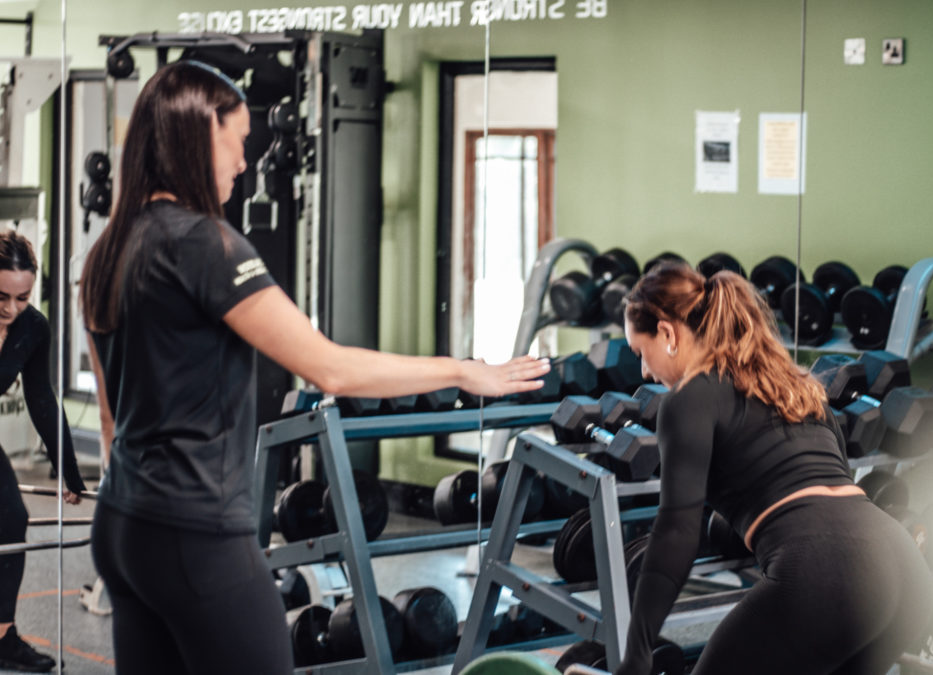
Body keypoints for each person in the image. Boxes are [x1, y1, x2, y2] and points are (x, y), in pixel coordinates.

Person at [78, 60, 549, 675]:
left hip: (122, 527)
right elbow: (331, 370)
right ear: (198, 137)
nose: (245, 162)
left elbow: (112, 421)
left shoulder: (107, 250)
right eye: (237, 141)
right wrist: (462, 371)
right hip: (195, 533)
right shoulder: (205, 245)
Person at [613, 263, 932, 675]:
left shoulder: (688, 399)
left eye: (641, 352)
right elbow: (833, 491)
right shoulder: (800, 387)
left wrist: (637, 651)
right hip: (904, 568)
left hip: (827, 574)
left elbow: (677, 531)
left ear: (668, 333)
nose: (644, 371)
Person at [0, 230, 85, 673]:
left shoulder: (32, 327)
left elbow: (41, 400)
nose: (11, 308)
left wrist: (69, 472)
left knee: (12, 516)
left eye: (22, 296)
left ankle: (1, 636)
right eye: (1, 295)